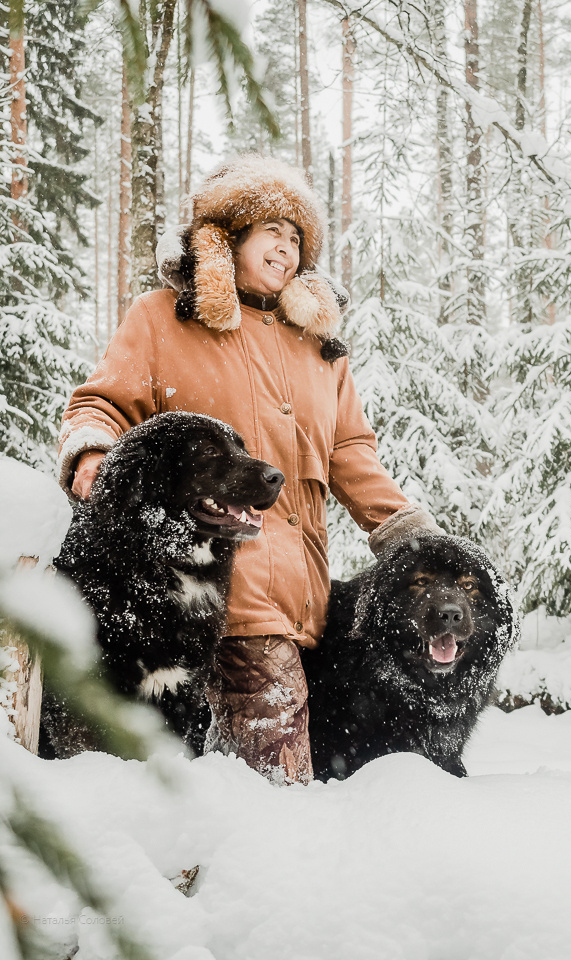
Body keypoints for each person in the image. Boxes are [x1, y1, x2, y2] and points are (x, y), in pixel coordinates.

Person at [58, 154, 438, 785]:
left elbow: (350, 451)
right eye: (272, 231)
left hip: (298, 596)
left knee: (257, 791)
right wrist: (94, 453)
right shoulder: (162, 318)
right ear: (227, 235)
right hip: (190, 592)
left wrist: (403, 529)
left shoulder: (320, 348)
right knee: (266, 795)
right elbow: (101, 403)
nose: (286, 249)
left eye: (297, 239)